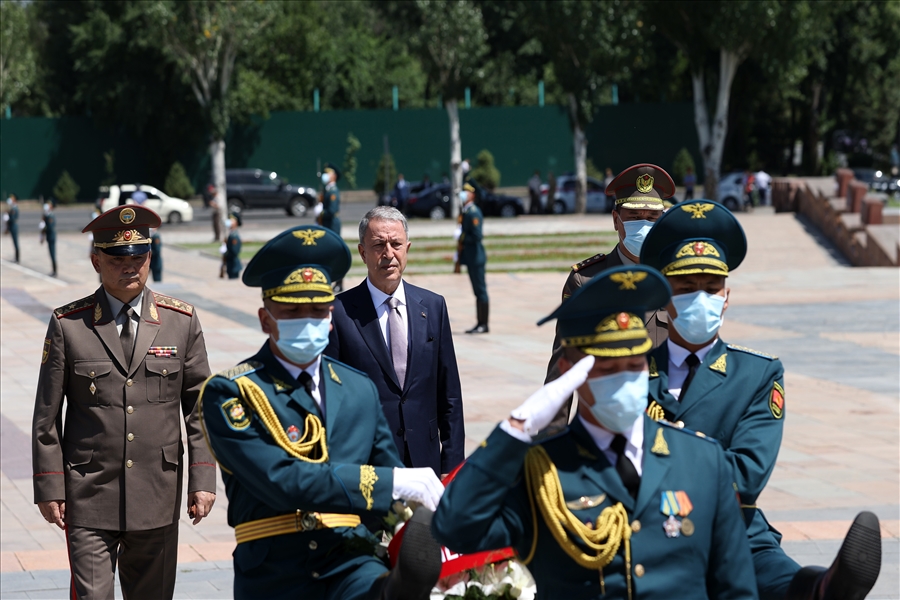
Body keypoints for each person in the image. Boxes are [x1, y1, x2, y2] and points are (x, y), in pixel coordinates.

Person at [433, 265, 758, 599]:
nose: (625, 379)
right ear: (570, 371)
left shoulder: (702, 460)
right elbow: (453, 527)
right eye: (606, 369)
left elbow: (735, 588)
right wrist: (516, 428)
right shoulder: (540, 472)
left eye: (635, 366)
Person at [639, 200, 883, 600]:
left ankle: (824, 588)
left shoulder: (756, 374)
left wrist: (669, 452)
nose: (701, 299)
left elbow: (748, 473)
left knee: (777, 577)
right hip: (644, 523)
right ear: (663, 295)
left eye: (711, 288)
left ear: (727, 296)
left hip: (732, 525)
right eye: (686, 289)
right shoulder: (627, 370)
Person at [199, 224, 444, 599]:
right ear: (266, 320)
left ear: (331, 318)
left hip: (351, 559)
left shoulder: (358, 388)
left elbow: (390, 486)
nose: (308, 321)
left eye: (318, 310)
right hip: (275, 568)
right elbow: (282, 480)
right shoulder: (232, 392)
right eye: (293, 312)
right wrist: (390, 483)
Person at [32, 205, 217, 599]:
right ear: (96, 260)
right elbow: (46, 417)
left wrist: (202, 479)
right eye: (117, 259)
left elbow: (199, 407)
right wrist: (50, 485)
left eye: (139, 257)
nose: (129, 267)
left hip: (158, 492)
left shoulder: (180, 321)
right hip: (89, 493)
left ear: (150, 257)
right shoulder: (70, 324)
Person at [326, 207, 465, 476]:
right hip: (366, 468)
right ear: (363, 253)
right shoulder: (340, 312)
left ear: (407, 249)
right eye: (378, 245)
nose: (388, 254)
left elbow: (450, 396)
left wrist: (452, 466)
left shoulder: (433, 307)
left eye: (396, 244)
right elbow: (331, 400)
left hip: (425, 466)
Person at [545, 164, 674, 386]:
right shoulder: (586, 281)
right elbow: (563, 367)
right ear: (616, 220)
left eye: (652, 218)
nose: (643, 225)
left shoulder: (676, 278)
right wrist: (556, 421)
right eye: (634, 217)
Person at [458, 182, 489, 334]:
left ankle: (483, 324)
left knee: (480, 291)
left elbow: (477, 236)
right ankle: (480, 323)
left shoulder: (474, 212)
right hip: (471, 257)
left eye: (466, 192)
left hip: (476, 257)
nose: (463, 194)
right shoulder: (466, 211)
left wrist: (462, 236)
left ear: (472, 195)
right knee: (477, 292)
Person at [39, 200, 58, 277]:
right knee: (51, 254)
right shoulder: (47, 216)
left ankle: (55, 271)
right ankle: (53, 270)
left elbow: (49, 227)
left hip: (51, 237)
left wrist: (44, 226)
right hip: (49, 236)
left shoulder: (50, 216)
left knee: (52, 254)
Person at [223, 212, 242, 280]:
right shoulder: (231, 234)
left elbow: (235, 251)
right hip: (230, 265)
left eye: (231, 220)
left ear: (236, 222)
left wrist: (226, 253)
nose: (229, 222)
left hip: (234, 265)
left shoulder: (234, 236)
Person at [5, 193, 20, 263]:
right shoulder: (12, 208)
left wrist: (8, 217)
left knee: (16, 242)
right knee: (14, 242)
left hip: (14, 226)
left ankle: (17, 258)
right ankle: (16, 257)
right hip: (11, 226)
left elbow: (13, 219)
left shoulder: (14, 208)